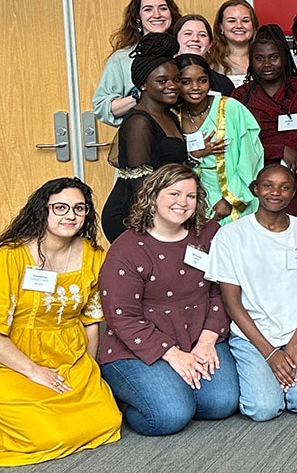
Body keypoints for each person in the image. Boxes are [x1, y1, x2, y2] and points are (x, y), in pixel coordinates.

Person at [0, 179, 120, 465]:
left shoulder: (95, 257)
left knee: (107, 421)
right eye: (60, 207)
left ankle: (7, 412)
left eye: (78, 208)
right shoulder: (8, 257)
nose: (70, 215)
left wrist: (89, 368)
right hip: (6, 360)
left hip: (67, 357)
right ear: (42, 211)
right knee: (46, 436)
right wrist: (33, 371)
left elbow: (91, 320)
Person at [98, 165, 238, 436]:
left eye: (191, 196)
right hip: (138, 346)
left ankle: (172, 387)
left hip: (199, 335)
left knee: (221, 403)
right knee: (169, 416)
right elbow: (121, 316)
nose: (183, 203)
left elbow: (222, 290)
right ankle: (129, 397)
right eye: (174, 194)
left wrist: (207, 341)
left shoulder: (209, 233)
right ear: (153, 196)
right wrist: (173, 355)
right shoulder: (126, 249)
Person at [205, 165, 297, 420]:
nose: (275, 192)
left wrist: (294, 346)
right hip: (252, 335)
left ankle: (292, 380)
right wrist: (270, 354)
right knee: (263, 409)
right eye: (267, 185)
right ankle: (274, 380)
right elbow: (232, 303)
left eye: (284, 187)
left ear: (293, 193)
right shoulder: (230, 236)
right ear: (255, 189)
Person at [232, 25, 297, 218]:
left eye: (273, 57)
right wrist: (280, 149)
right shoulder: (241, 96)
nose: (266, 64)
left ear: (284, 58)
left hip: (296, 172)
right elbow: (236, 141)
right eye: (259, 58)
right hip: (254, 171)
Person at [102, 40, 188, 241]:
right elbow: (140, 184)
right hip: (131, 214)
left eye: (176, 80)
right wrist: (162, 224)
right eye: (162, 81)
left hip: (161, 208)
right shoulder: (139, 121)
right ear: (142, 84)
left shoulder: (168, 114)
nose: (172, 86)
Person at [174, 52, 263, 224]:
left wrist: (230, 199)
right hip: (188, 202)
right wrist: (193, 155)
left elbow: (250, 159)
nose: (195, 87)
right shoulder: (173, 116)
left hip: (234, 199)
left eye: (202, 80)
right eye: (186, 82)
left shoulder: (231, 108)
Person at [93, 0, 182, 127]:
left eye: (163, 8)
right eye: (148, 9)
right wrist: (142, 96)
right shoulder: (122, 58)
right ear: (137, 18)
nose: (157, 14)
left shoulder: (183, 52)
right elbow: (102, 107)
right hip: (142, 133)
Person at [172, 14, 236, 96]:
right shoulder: (163, 77)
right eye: (188, 33)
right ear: (175, 39)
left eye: (202, 35)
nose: (195, 39)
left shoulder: (223, 83)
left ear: (210, 44)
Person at [205, 0, 258, 88]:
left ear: (253, 25)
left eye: (245, 21)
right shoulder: (209, 61)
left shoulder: (266, 59)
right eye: (231, 21)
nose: (239, 26)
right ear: (221, 26)